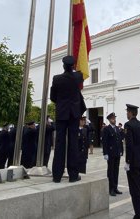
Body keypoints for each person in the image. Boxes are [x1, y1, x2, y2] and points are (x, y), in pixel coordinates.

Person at [51, 55, 86, 183]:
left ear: (63, 66)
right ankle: (73, 175)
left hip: (61, 113)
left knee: (59, 144)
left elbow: (53, 97)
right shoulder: (78, 76)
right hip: (74, 114)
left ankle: (57, 175)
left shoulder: (57, 79)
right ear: (73, 66)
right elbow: (80, 74)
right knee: (73, 144)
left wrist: (61, 102)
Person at [124, 104, 140, 219]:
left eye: (127, 112)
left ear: (130, 113)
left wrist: (128, 161)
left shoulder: (128, 125)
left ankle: (139, 214)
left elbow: (129, 145)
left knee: (135, 189)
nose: (126, 114)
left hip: (133, 161)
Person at [102, 112, 123, 196]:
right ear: (109, 120)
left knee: (116, 171)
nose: (114, 120)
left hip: (117, 152)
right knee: (110, 171)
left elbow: (120, 140)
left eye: (114, 118)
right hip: (110, 153)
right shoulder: (106, 129)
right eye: (112, 118)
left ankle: (115, 187)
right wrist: (105, 153)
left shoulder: (117, 128)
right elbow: (105, 142)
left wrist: (121, 150)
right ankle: (110, 189)